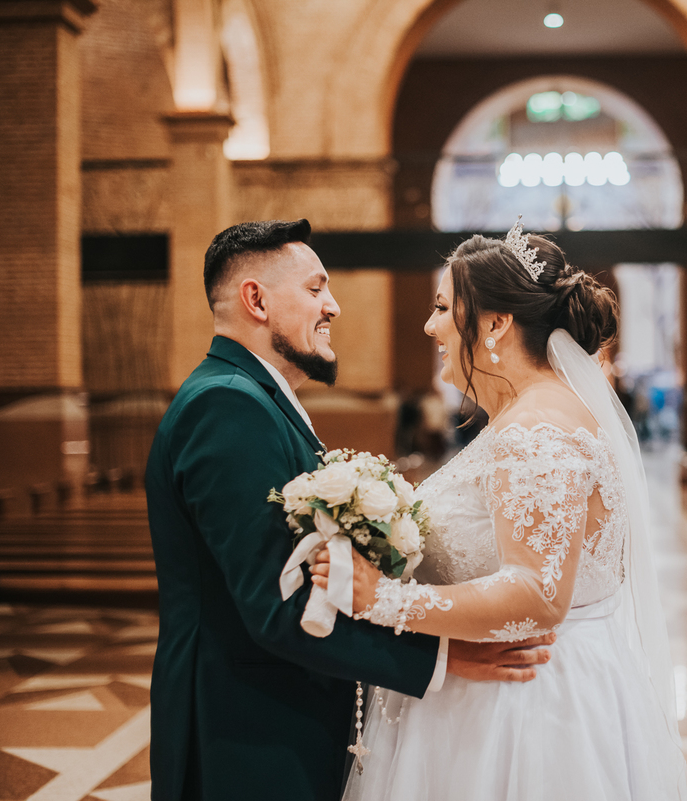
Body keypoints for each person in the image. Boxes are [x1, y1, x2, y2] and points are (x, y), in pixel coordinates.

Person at [144, 219, 552, 801]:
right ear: (256, 300)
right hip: (243, 736)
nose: (333, 306)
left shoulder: (254, 398)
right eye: (315, 288)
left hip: (269, 722)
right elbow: (278, 605)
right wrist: (441, 656)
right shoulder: (226, 406)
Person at [313, 222, 687, 801]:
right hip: (533, 682)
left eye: (443, 308)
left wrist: (381, 598)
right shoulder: (534, 414)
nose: (430, 326)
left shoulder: (535, 430)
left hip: (526, 708)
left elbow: (538, 595)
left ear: (495, 323)